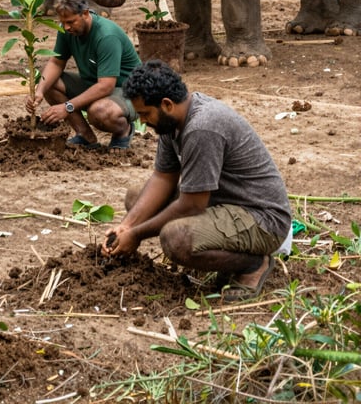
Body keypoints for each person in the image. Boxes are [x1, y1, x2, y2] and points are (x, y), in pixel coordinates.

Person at [103, 60, 292, 303]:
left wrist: (137, 235)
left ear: (166, 104)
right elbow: (163, 177)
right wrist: (126, 226)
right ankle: (218, 251)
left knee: (175, 239)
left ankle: (253, 264)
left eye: (144, 114)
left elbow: (192, 205)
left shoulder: (202, 127)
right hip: (224, 204)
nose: (142, 123)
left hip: (262, 219)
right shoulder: (173, 122)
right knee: (135, 196)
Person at [26, 0, 140, 150]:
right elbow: (56, 62)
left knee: (99, 112)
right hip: (95, 85)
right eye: (63, 22)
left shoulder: (106, 36)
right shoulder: (67, 30)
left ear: (85, 13)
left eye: (71, 22)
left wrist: (67, 107)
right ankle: (85, 135)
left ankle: (123, 131)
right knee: (48, 83)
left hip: (129, 92)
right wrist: (39, 91)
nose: (66, 27)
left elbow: (106, 86)